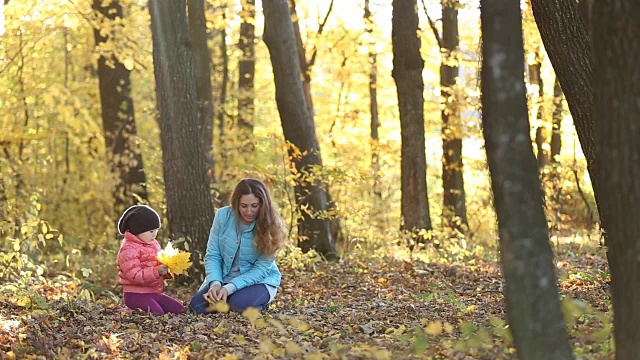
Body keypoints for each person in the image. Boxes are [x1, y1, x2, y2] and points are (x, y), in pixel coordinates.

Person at [189, 178, 288, 314]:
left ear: (263, 204)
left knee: (237, 305)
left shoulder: (272, 226)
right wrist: (215, 284)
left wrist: (229, 288)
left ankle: (259, 305)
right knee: (197, 308)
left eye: (254, 206)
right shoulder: (222, 216)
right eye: (243, 206)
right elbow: (213, 255)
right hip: (224, 278)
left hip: (259, 281)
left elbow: (261, 269)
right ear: (236, 203)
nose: (249, 211)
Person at [116, 205, 185, 314]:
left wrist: (168, 270)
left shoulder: (153, 244)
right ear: (137, 230)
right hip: (135, 294)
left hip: (154, 292)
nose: (155, 234)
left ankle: (140, 309)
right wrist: (156, 271)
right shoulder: (128, 249)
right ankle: (131, 311)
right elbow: (134, 276)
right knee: (157, 313)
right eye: (151, 231)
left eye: (156, 230)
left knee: (179, 310)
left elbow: (158, 266)